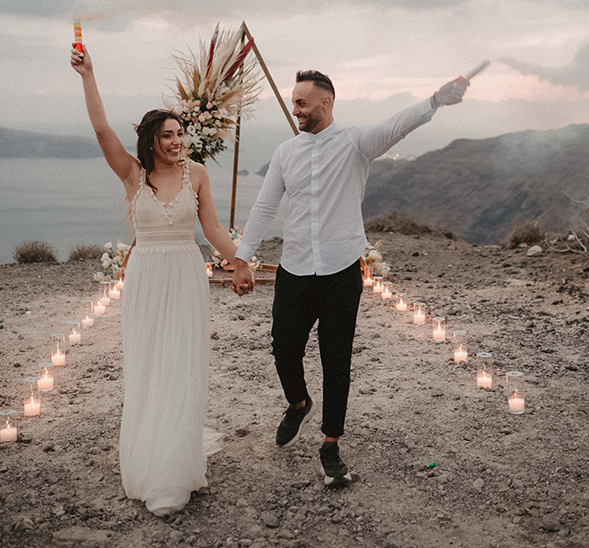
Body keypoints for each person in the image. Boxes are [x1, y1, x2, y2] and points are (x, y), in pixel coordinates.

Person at [232, 69, 468, 486]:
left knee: (335, 359)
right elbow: (264, 208)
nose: (295, 109)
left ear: (326, 103)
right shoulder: (286, 152)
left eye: (302, 103)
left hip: (341, 272)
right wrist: (241, 258)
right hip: (295, 269)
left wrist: (435, 101)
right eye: (293, 102)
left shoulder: (356, 143)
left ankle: (331, 445)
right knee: (284, 347)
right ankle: (299, 401)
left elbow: (397, 124)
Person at [71, 43, 253, 515]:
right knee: (150, 367)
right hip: (148, 279)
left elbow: (212, 229)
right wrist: (89, 74)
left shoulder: (196, 174)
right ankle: (152, 460)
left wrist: (240, 261)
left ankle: (176, 464)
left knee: (183, 365)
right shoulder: (133, 176)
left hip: (187, 277)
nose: (177, 142)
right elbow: (100, 128)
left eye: (180, 134)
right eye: (168, 135)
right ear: (152, 141)